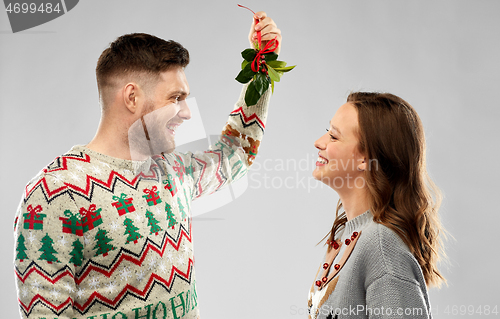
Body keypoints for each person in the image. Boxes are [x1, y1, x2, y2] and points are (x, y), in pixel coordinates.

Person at [13, 11, 281, 319]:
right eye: (176, 98)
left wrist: (261, 66)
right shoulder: (55, 193)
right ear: (131, 97)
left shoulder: (172, 171)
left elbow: (236, 153)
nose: (186, 113)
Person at [308, 92, 446, 319]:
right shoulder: (348, 233)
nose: (319, 142)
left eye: (333, 136)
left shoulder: (380, 246)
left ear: (365, 158)